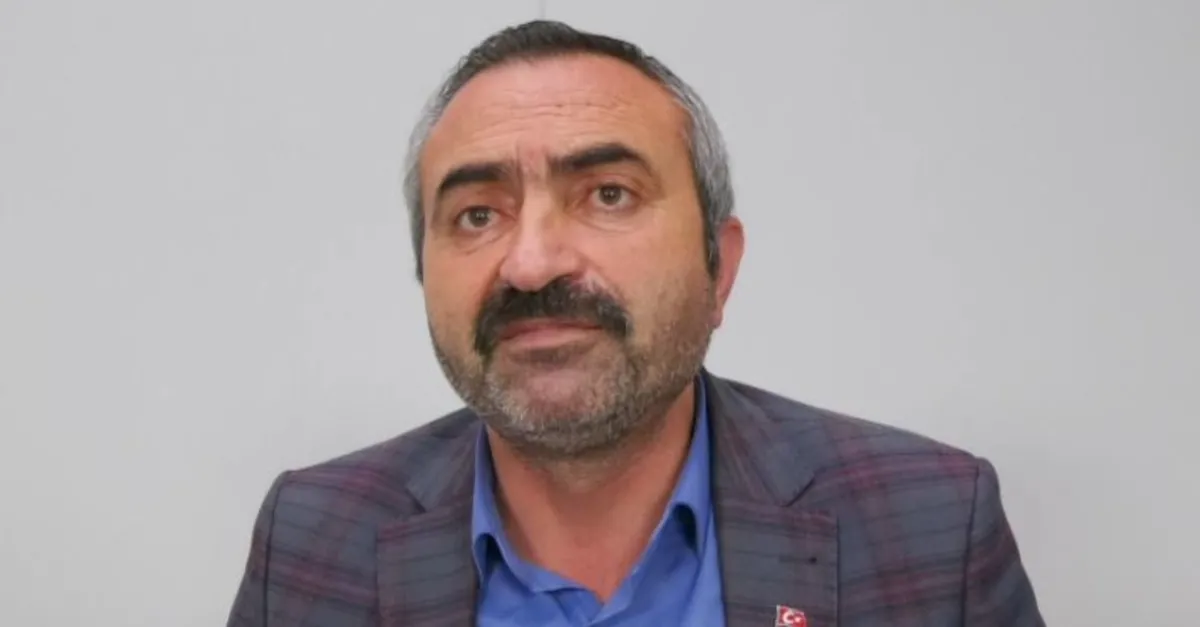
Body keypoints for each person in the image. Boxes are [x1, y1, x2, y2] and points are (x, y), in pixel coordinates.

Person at [226, 19, 1043, 627]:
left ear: (719, 266)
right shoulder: (311, 541)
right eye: (478, 213)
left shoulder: (931, 530)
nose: (531, 263)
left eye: (608, 194)